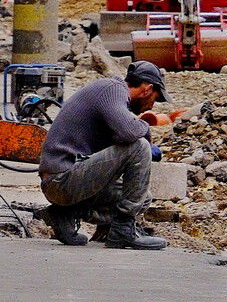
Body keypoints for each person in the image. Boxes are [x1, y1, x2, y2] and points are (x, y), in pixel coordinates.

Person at [35, 60, 174, 250]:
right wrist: (144, 125)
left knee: (143, 198)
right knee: (139, 146)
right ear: (147, 89)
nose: (152, 107)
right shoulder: (112, 89)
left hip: (67, 182)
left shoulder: (114, 100)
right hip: (61, 180)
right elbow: (129, 133)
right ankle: (123, 230)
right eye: (155, 99)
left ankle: (65, 214)